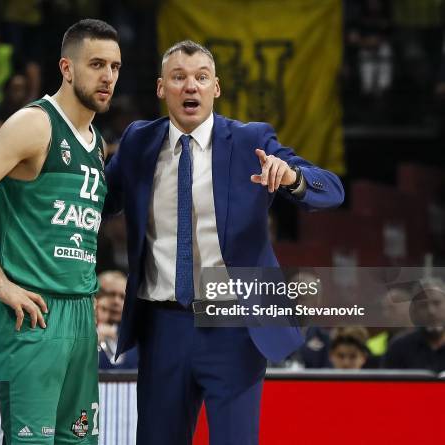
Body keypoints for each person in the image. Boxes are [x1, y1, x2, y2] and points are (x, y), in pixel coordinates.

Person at [105, 40, 344, 445]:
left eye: (201, 77)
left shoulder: (252, 140)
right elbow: (98, 200)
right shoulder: (138, 143)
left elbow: (332, 190)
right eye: (178, 77)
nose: (190, 87)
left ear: (216, 88)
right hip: (163, 326)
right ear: (161, 88)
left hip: (234, 327)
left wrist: (293, 178)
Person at [0, 19, 120, 443]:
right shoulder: (35, 124)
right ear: (67, 68)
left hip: (78, 313)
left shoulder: (97, 143)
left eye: (114, 66)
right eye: (96, 64)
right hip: (30, 310)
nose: (108, 76)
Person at [96, 270, 137, 369]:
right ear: (96, 297)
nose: (116, 301)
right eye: (111, 294)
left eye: (122, 297)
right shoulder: (79, 334)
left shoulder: (135, 338)